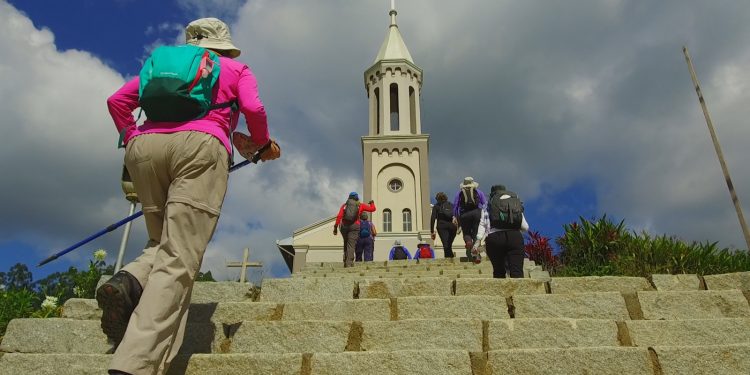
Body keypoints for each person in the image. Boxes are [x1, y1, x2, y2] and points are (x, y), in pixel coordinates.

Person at [98, 18, 280, 375]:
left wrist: (132, 136)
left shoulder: (161, 65)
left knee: (161, 240)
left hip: (144, 150)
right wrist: (260, 143)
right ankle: (135, 362)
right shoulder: (235, 67)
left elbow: (117, 100)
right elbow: (254, 109)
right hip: (199, 148)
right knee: (179, 256)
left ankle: (129, 280)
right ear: (222, 46)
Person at [475, 184, 529, 278]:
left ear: (492, 194)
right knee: (517, 271)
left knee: (498, 271)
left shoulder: (488, 204)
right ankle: (519, 292)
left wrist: (478, 240)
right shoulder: (514, 202)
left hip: (494, 238)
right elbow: (525, 227)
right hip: (514, 237)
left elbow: (483, 224)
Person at [333, 192, 376, 267]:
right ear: (357, 198)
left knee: (346, 242)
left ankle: (345, 260)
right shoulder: (360, 205)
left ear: (349, 198)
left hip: (344, 226)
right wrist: (372, 203)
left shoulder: (345, 205)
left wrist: (335, 227)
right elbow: (373, 209)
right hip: (354, 226)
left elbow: (339, 216)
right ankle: (349, 263)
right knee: (351, 244)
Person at [452, 177, 487, 258]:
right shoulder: (478, 192)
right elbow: (485, 204)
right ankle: (476, 255)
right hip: (477, 213)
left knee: (466, 232)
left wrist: (455, 216)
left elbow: (455, 206)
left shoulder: (460, 193)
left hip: (464, 214)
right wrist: (484, 214)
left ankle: (468, 242)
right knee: (476, 233)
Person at [430, 192, 457, 258]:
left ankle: (448, 261)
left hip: (442, 226)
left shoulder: (436, 206)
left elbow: (433, 218)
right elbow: (456, 215)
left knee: (445, 244)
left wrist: (432, 231)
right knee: (449, 244)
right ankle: (451, 258)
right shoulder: (451, 205)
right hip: (452, 227)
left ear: (437, 199)